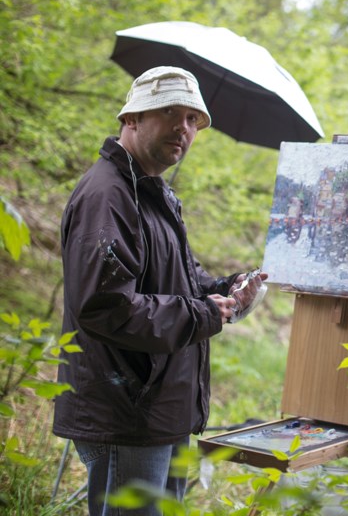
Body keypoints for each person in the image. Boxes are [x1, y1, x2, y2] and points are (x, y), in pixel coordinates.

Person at [53, 66, 268, 515]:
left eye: (193, 119)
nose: (183, 128)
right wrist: (204, 314)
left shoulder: (154, 193)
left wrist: (227, 291)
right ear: (131, 119)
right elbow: (107, 307)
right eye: (170, 112)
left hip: (160, 410)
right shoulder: (107, 196)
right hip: (126, 413)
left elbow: (183, 281)